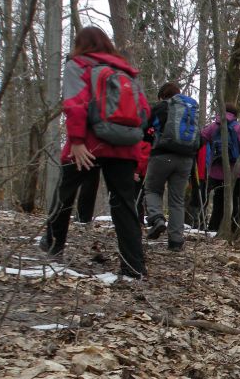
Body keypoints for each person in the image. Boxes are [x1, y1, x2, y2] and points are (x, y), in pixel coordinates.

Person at [40, 26, 149, 279]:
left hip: (88, 144)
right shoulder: (126, 71)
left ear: (81, 44)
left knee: (64, 194)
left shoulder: (78, 65)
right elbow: (144, 111)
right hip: (124, 145)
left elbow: (75, 104)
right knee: (124, 204)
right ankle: (134, 268)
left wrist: (77, 140)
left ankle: (53, 248)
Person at [143, 81, 199, 251]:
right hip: (186, 160)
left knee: (152, 189)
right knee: (177, 200)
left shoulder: (161, 107)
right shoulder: (190, 110)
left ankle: (157, 219)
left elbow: (144, 128)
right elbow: (199, 138)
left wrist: (151, 140)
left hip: (162, 155)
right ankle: (176, 241)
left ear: (162, 96)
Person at [200, 103, 240, 234]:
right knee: (235, 200)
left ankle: (214, 227)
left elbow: (200, 139)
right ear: (236, 115)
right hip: (238, 172)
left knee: (218, 200)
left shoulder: (213, 126)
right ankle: (233, 228)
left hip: (216, 173)